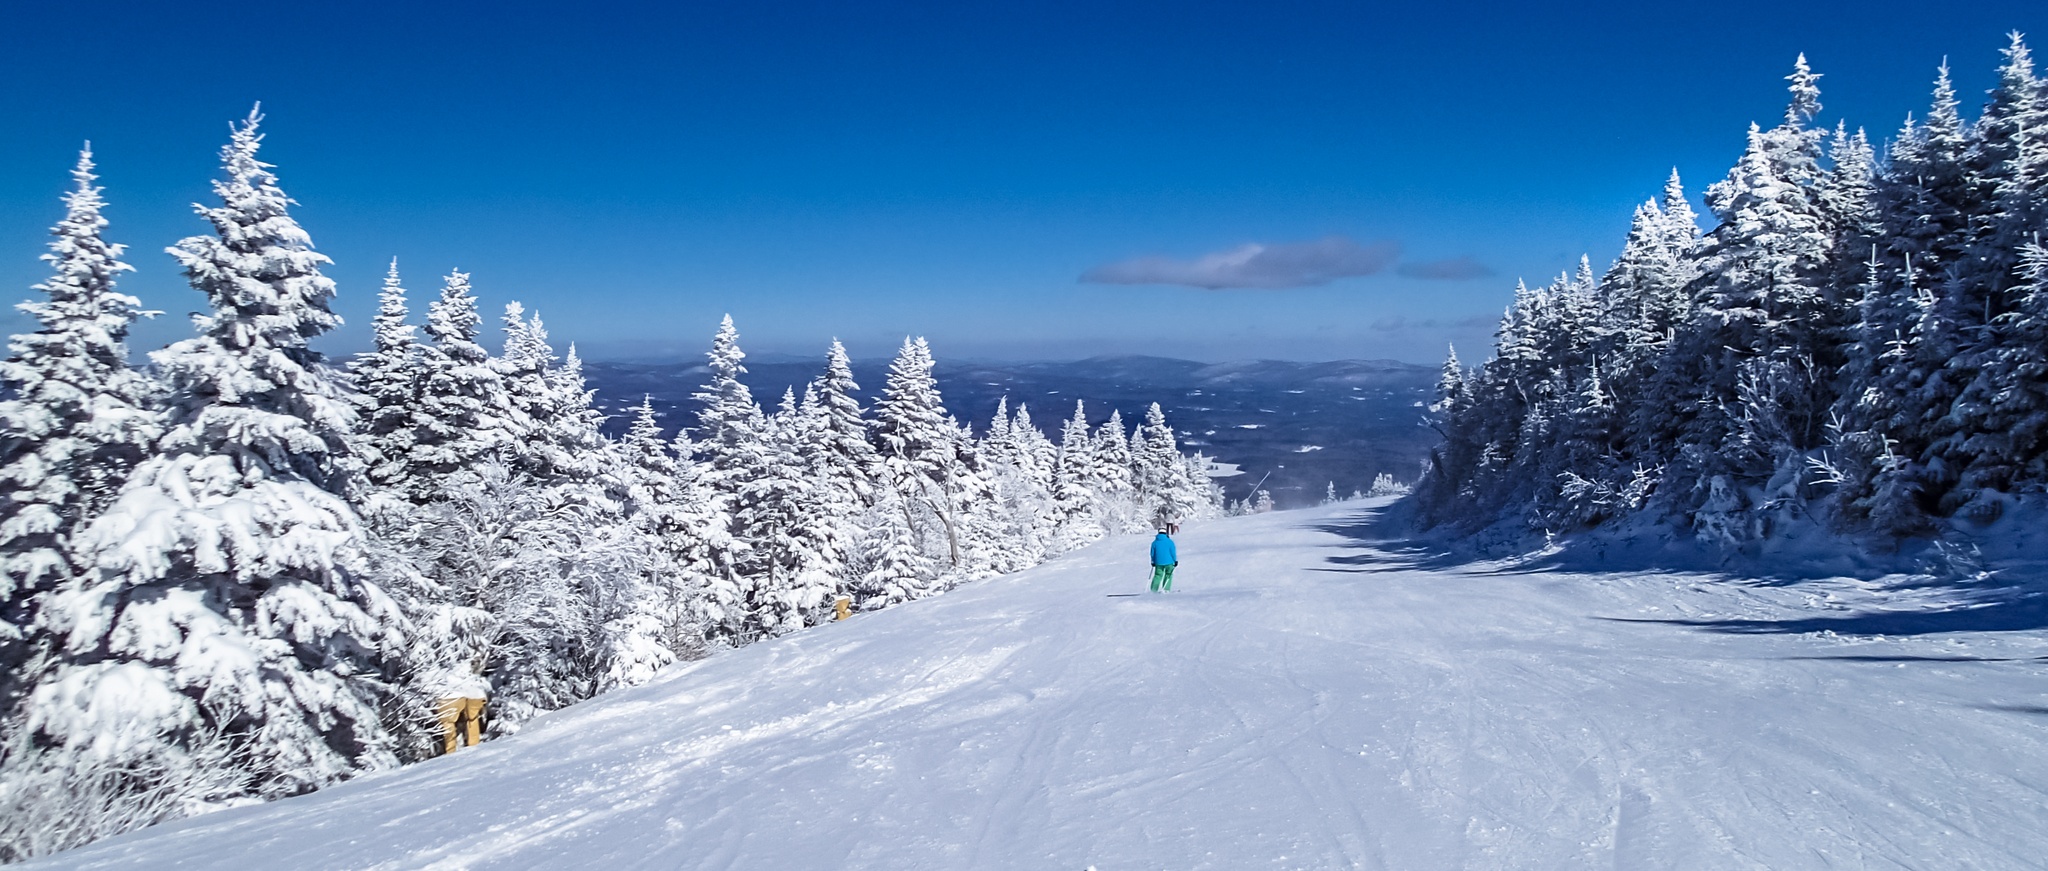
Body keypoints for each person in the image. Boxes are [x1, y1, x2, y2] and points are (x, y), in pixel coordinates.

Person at [1149, 526, 1178, 593]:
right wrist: (1175, 560)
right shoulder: (1170, 542)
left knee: (1158, 575)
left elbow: (1152, 553)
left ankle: (1153, 590)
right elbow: (1173, 552)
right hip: (1169, 562)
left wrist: (1153, 561)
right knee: (1168, 575)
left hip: (1158, 562)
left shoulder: (1154, 542)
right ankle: (1166, 589)